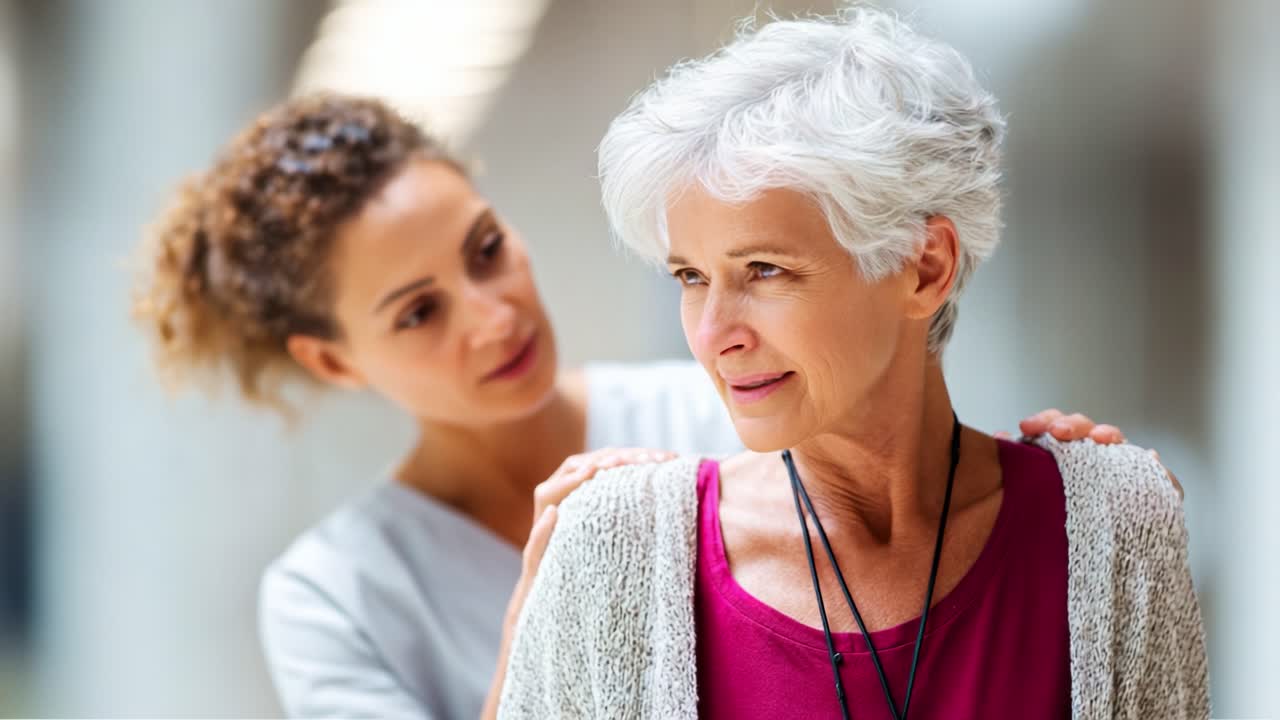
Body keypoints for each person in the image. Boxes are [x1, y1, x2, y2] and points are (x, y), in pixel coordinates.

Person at [133, 95, 1166, 719]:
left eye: (486, 249)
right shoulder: (336, 594)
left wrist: (1046, 493)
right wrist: (548, 619)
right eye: (418, 313)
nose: (492, 316)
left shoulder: (722, 408)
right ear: (332, 360)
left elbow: (914, 504)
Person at [496, 8, 1209, 719]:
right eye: (690, 277)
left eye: (765, 270)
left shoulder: (1107, 532)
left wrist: (1120, 511)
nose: (715, 334)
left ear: (925, 267)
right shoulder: (619, 555)